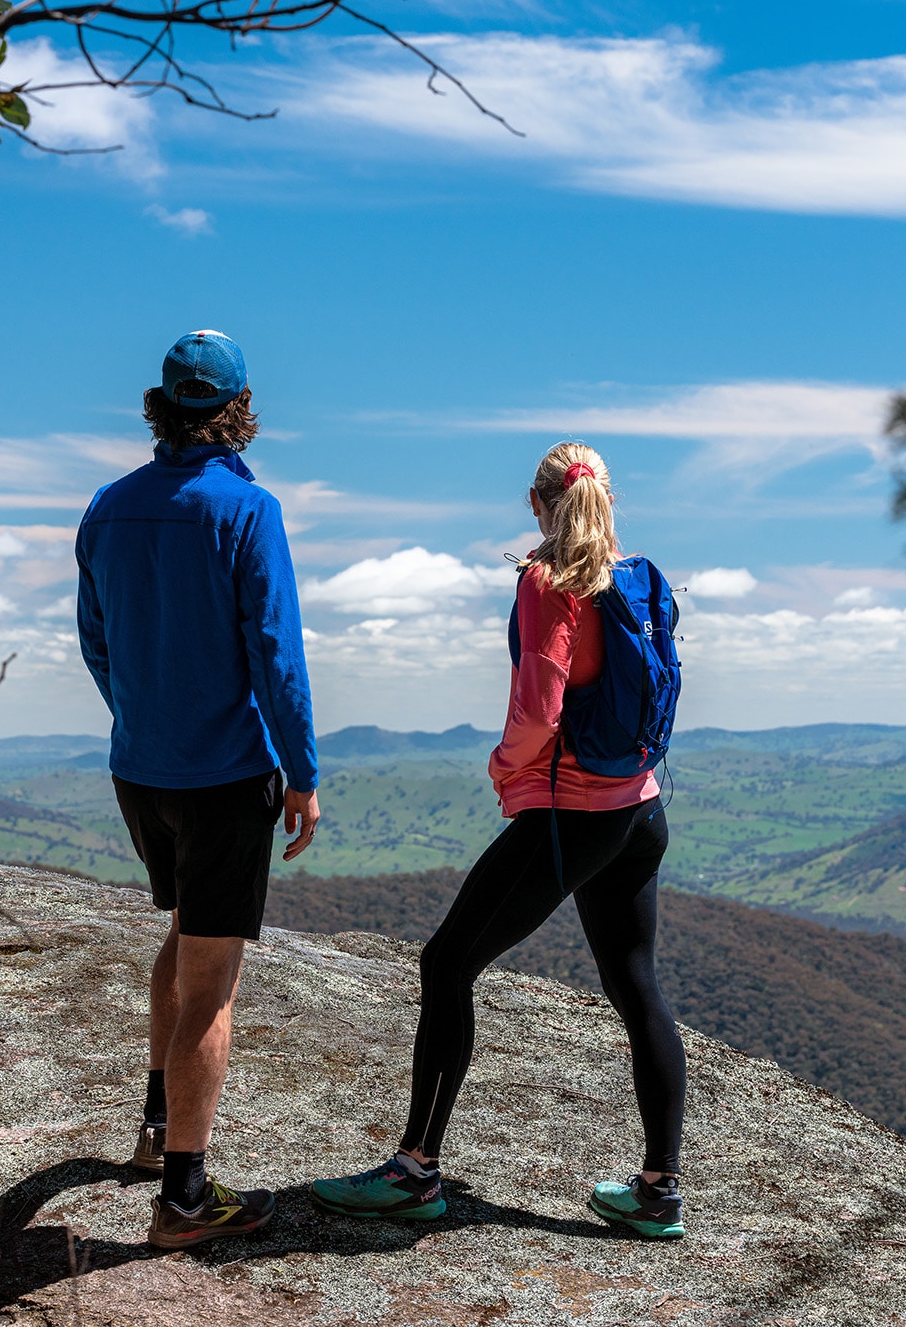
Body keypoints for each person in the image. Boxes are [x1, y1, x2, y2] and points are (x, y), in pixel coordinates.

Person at [308, 441, 687, 1239]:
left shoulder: (549, 583)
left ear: (534, 501)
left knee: (447, 961)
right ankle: (658, 1191)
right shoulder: (640, 577)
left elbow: (540, 708)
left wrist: (503, 766)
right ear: (609, 498)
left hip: (572, 813)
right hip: (642, 809)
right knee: (638, 986)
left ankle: (415, 1172)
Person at [75, 329, 322, 1251]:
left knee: (183, 934)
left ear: (161, 405)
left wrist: (140, 716)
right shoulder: (247, 511)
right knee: (212, 981)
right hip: (225, 775)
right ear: (239, 410)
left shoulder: (107, 508)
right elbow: (276, 653)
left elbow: (97, 642)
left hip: (140, 767)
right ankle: (184, 1196)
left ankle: (152, 1129)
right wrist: (302, 772)